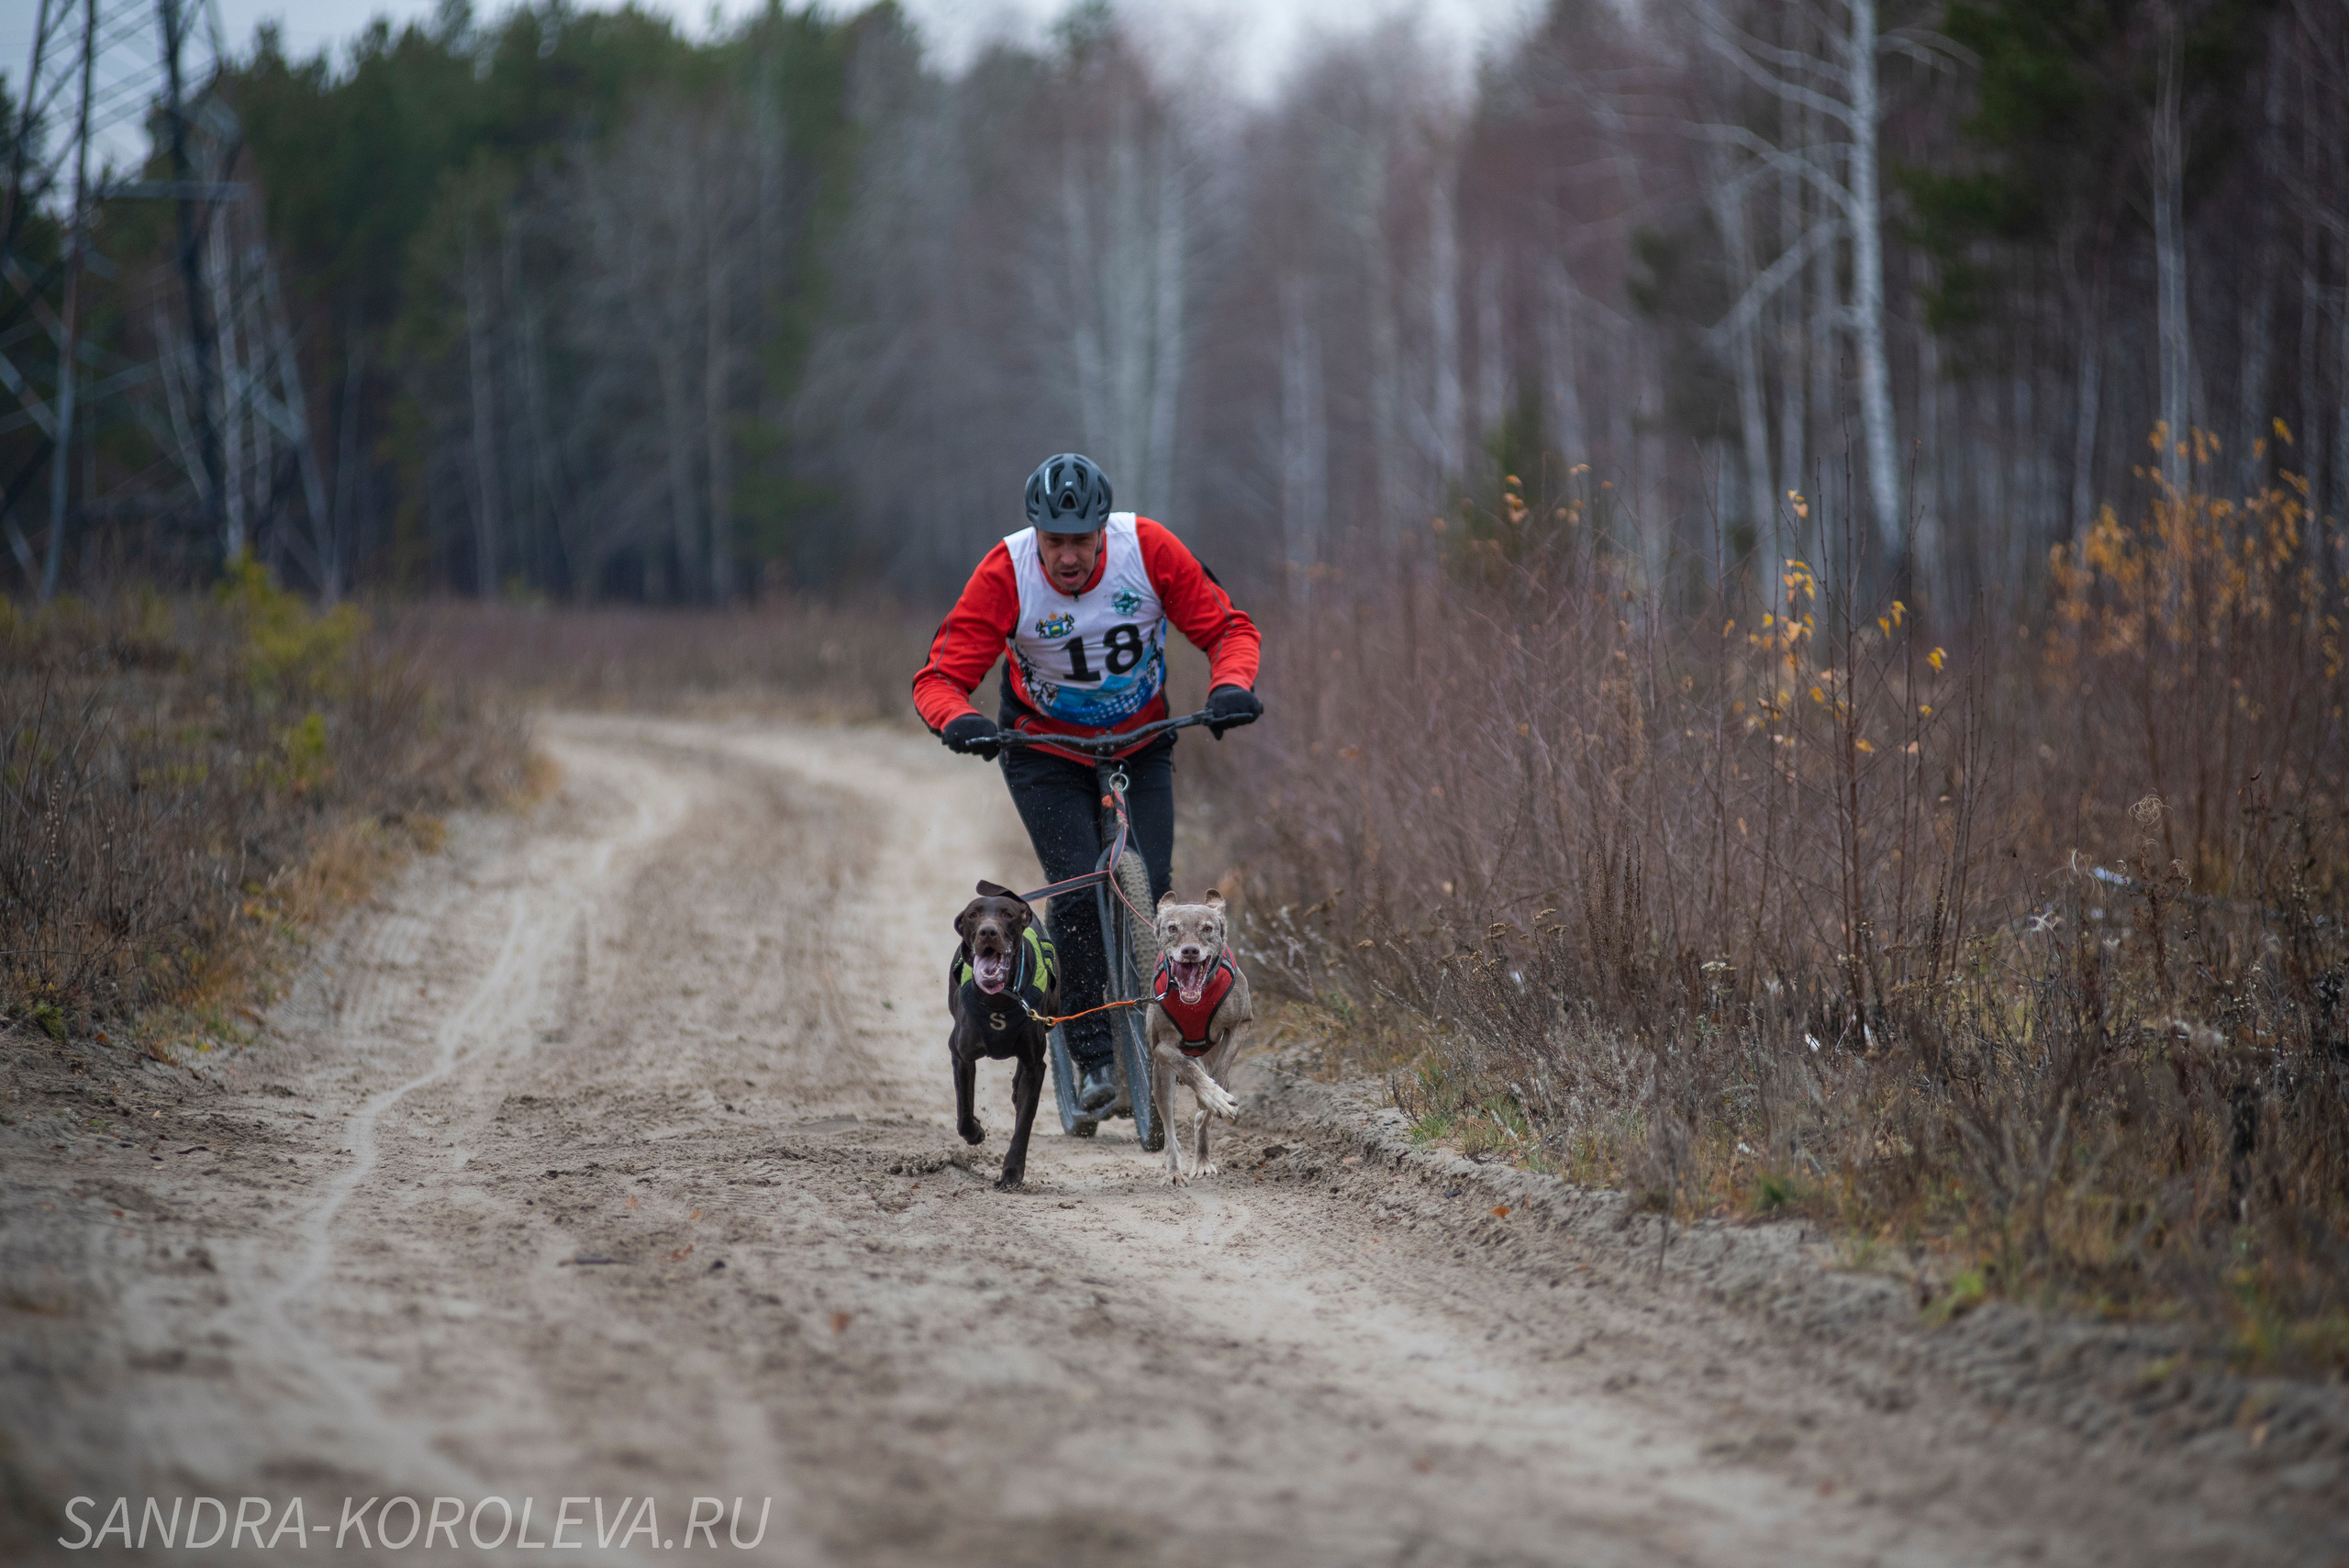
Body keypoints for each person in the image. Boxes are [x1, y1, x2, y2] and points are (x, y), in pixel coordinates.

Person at [912, 452, 1263, 1118]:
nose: (1068, 556)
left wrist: (1230, 685)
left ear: (1104, 530)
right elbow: (940, 676)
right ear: (1035, 535)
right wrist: (958, 719)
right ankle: (1092, 1051)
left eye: (1082, 540)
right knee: (1075, 885)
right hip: (1043, 748)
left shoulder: (1149, 550)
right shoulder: (1006, 571)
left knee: (1151, 886)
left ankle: (1167, 1032)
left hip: (1140, 739)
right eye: (1055, 542)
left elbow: (1228, 629)